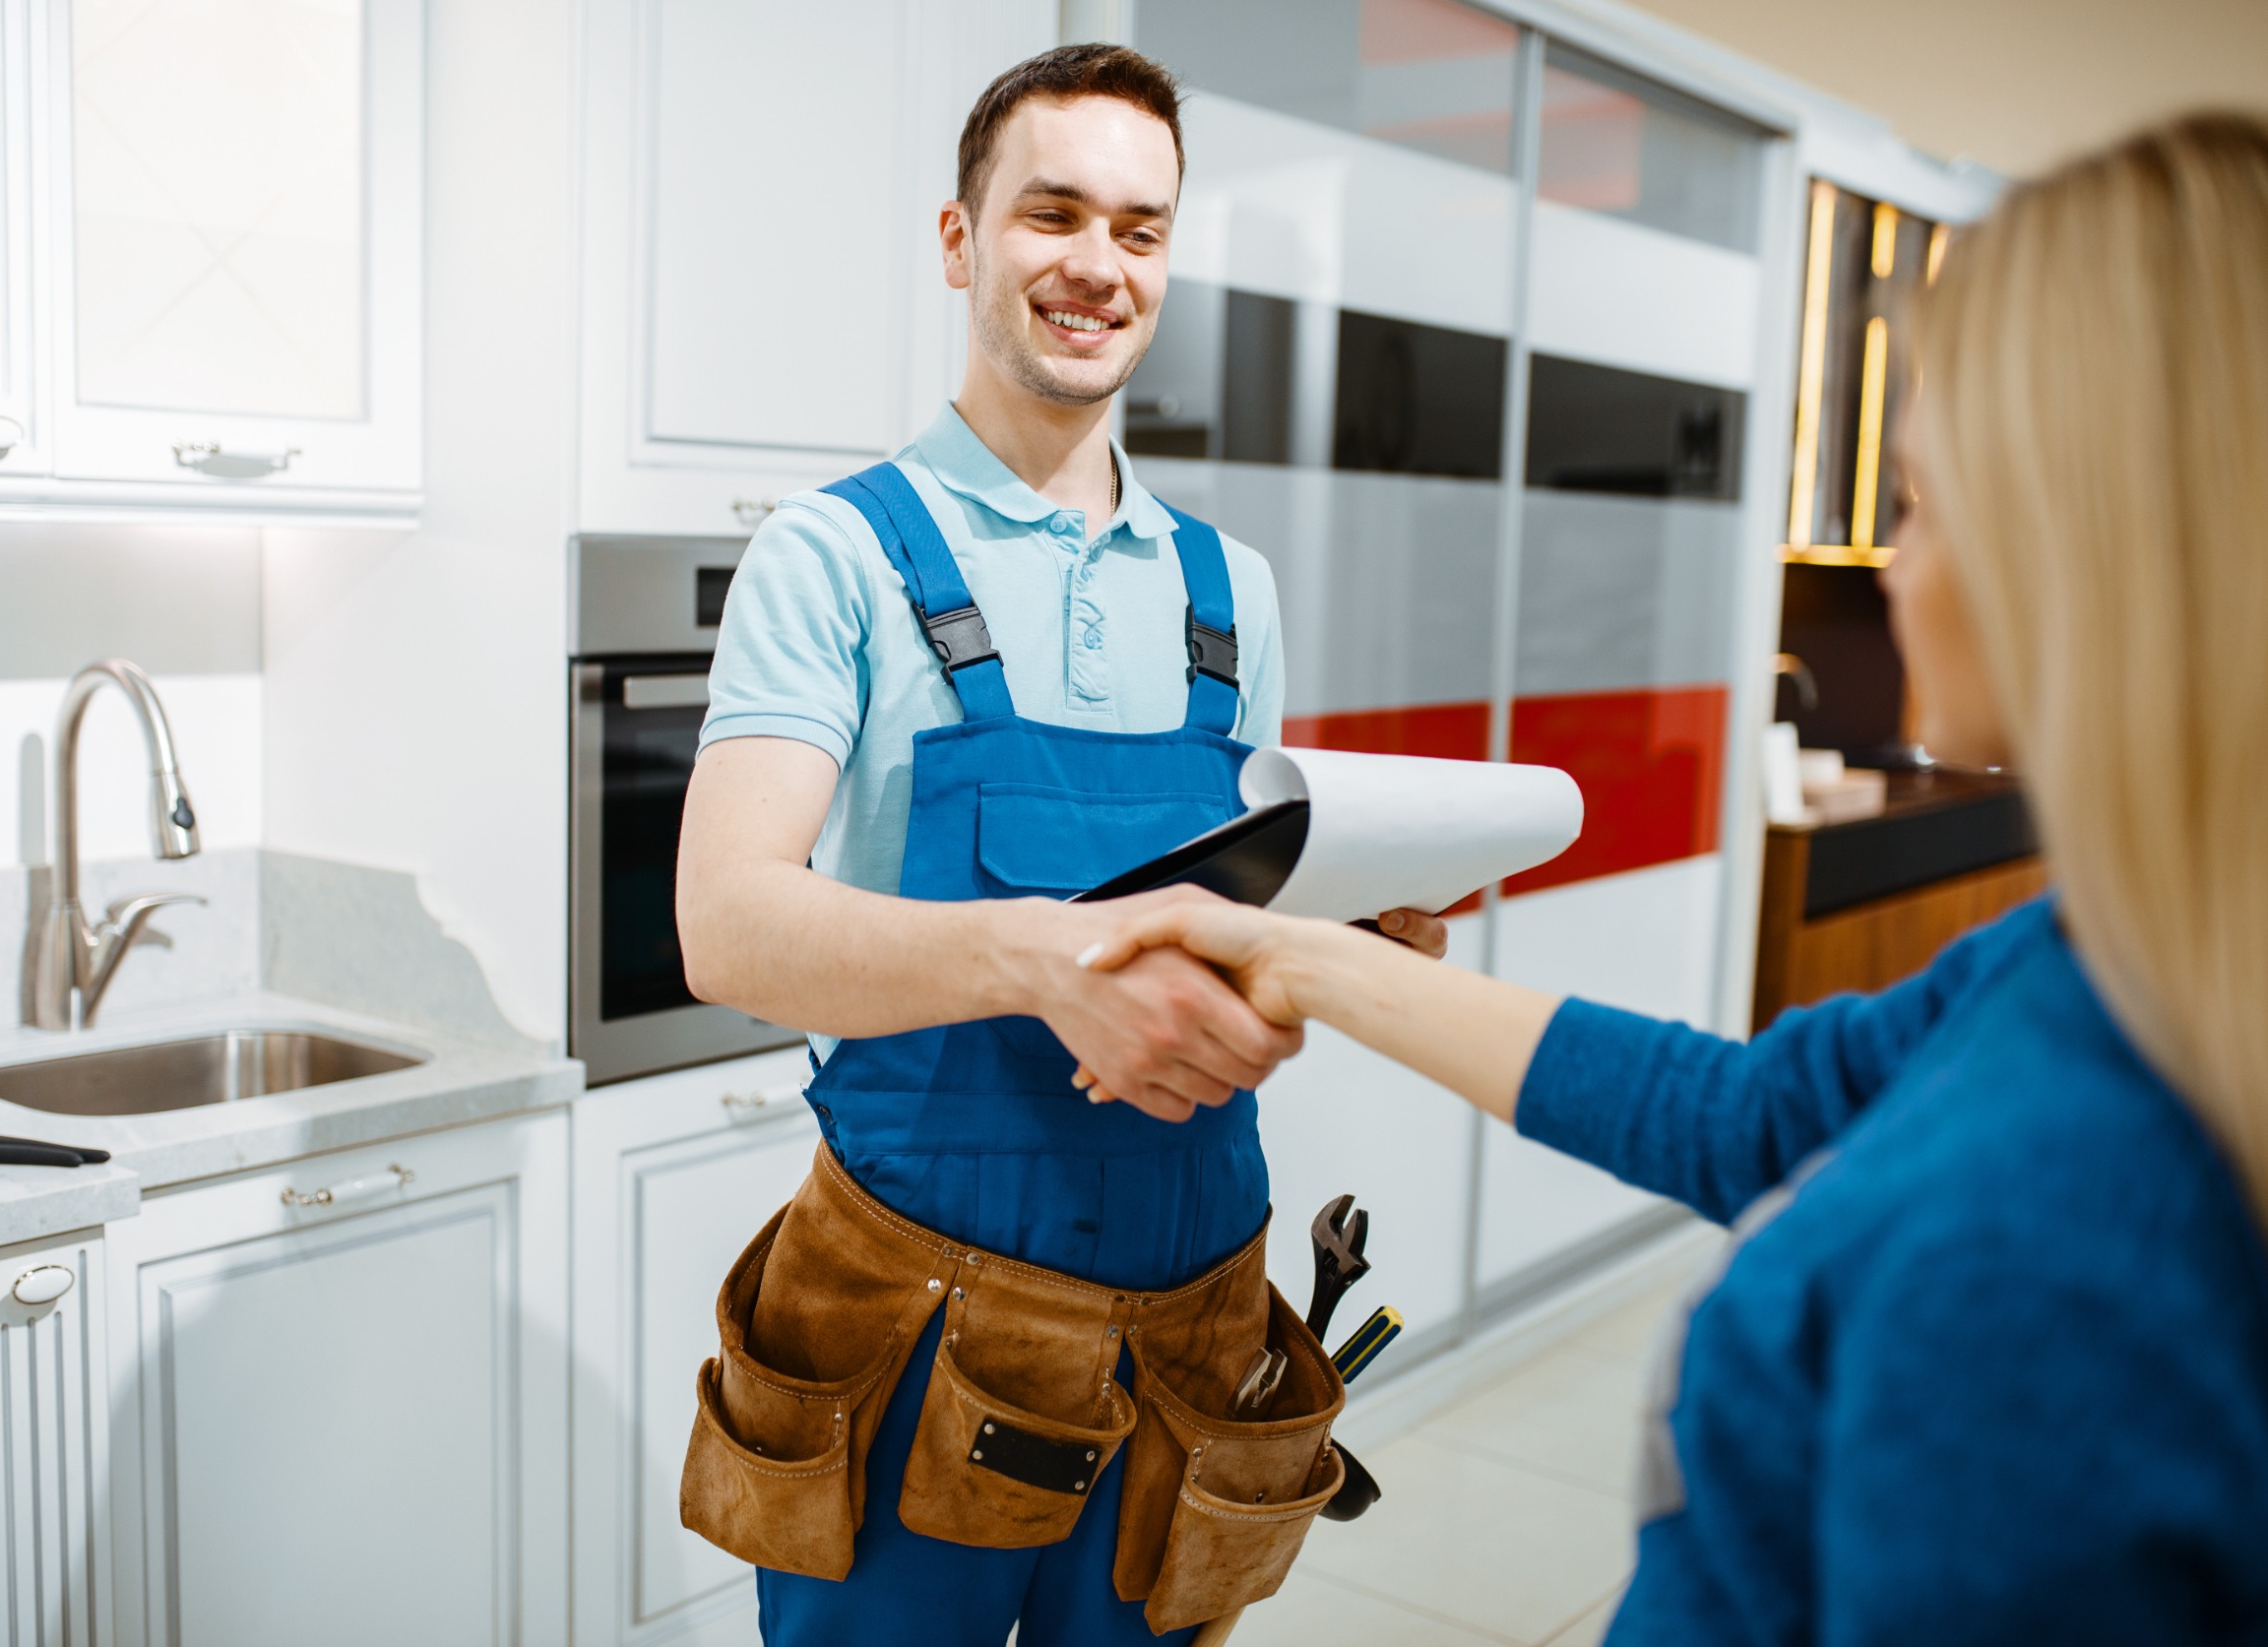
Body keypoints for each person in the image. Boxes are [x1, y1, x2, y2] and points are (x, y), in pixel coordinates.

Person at [1080, 112, 2268, 1642]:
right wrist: (1303, 954)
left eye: (1913, 498)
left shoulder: (2037, 1256)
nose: (1892, 563)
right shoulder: (2095, 968)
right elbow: (1752, 1112)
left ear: (2076, 542)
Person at [674, 43, 1439, 1647]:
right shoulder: (837, 555)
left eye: (1142, 229)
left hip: (1197, 1321)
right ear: (961, 240)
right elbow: (729, 926)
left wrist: (1334, 946)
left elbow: (1225, 927)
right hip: (906, 1329)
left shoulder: (1230, 590)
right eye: (1054, 213)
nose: (1100, 263)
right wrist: (1038, 956)